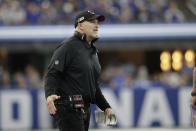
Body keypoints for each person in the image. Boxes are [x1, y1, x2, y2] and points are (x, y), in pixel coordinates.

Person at [44, 10, 115, 131]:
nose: (97, 25)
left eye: (97, 22)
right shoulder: (68, 46)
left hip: (84, 109)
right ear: (80, 25)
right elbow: (52, 74)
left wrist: (106, 107)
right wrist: (50, 95)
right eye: (92, 21)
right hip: (68, 108)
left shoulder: (93, 52)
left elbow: (94, 87)